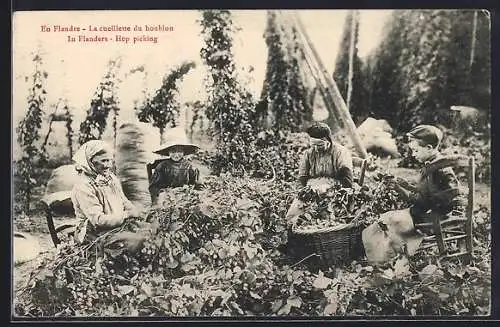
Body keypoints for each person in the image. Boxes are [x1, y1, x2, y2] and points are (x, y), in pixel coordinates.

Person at [71, 140, 147, 253]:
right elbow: (98, 220)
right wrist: (126, 215)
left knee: (148, 233)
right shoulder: (83, 186)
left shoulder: (110, 178)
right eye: (103, 161)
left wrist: (136, 212)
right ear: (91, 162)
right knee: (133, 244)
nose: (108, 165)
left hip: (115, 225)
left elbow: (124, 201)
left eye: (109, 160)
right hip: (93, 232)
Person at [285, 122, 354, 225]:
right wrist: (303, 192)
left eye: (320, 145)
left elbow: (347, 180)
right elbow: (302, 178)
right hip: (311, 190)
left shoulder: (340, 152)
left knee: (325, 219)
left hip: (334, 191)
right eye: (313, 145)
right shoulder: (308, 154)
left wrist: (328, 188)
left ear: (328, 140)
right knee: (293, 216)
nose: (316, 149)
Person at [393, 124, 460, 224]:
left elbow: (423, 201)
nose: (413, 154)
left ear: (429, 148)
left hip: (435, 215)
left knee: (394, 221)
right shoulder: (439, 162)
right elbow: (428, 190)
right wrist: (407, 185)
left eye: (416, 150)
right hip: (441, 209)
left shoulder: (433, 168)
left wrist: (400, 190)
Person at [148, 127, 204, 204]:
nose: (176, 155)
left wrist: (190, 192)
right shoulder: (162, 166)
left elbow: (199, 187)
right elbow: (153, 187)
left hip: (186, 200)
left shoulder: (190, 167)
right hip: (166, 199)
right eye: (173, 151)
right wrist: (165, 193)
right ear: (168, 152)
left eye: (179, 151)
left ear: (184, 151)